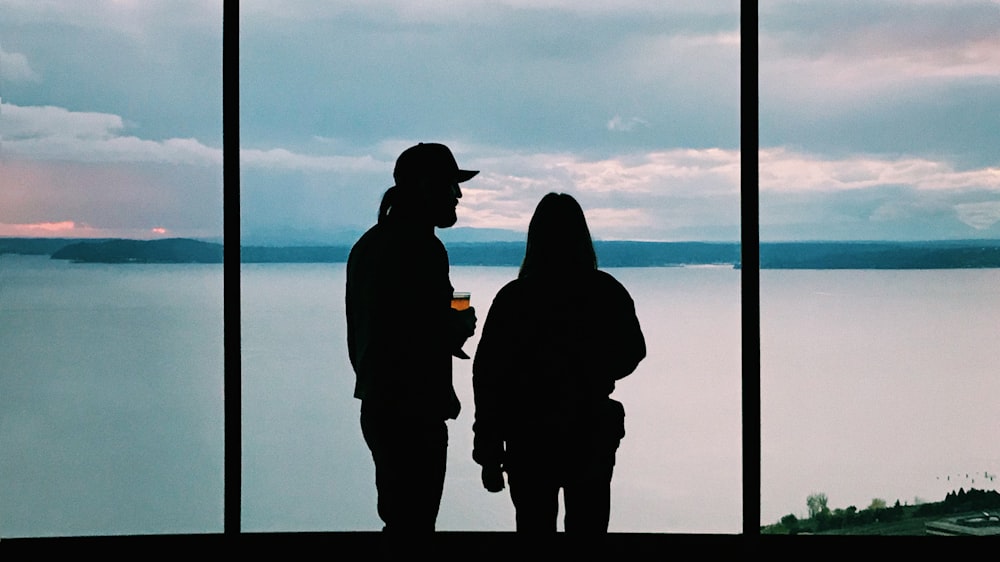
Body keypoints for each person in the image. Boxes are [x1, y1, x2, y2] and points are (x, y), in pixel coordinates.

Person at [471, 192, 646, 534]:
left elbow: (488, 378)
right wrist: (595, 371)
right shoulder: (606, 291)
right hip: (591, 431)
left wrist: (488, 451)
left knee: (534, 533)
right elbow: (633, 351)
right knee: (588, 531)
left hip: (528, 437)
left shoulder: (513, 299)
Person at [345, 142, 478, 534]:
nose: (458, 195)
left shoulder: (369, 246)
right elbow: (414, 334)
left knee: (401, 520)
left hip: (380, 404)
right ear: (425, 186)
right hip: (412, 411)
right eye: (451, 185)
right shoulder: (422, 249)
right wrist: (456, 327)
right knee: (415, 526)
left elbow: (384, 329)